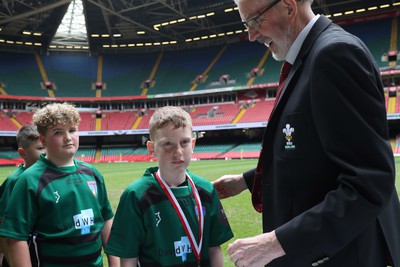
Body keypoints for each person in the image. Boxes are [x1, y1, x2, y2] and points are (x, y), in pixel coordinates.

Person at [212, 0, 400, 266]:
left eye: (254, 21)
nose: (251, 35)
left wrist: (277, 243)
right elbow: (312, 153)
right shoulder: (306, 59)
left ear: (288, 8)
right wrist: (246, 181)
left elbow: (369, 181)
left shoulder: (334, 55)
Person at [105, 106, 233, 267]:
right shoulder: (135, 196)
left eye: (184, 142)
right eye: (168, 144)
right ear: (152, 148)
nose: (178, 151)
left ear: (193, 144)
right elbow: (129, 259)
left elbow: (214, 248)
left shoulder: (206, 190)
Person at [0, 103, 119, 267]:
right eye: (58, 132)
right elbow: (15, 237)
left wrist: (114, 263)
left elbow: (106, 221)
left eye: (72, 130)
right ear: (43, 139)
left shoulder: (92, 173)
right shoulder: (29, 180)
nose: (68, 137)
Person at [0, 125, 45, 267]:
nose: (46, 152)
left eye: (47, 146)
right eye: (40, 148)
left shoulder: (46, 177)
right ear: (23, 153)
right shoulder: (14, 181)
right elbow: (3, 229)